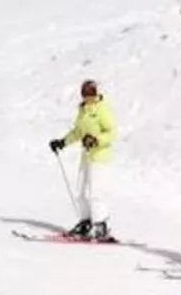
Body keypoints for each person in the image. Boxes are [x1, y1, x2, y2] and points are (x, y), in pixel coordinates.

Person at [48, 79, 116, 241]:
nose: (88, 98)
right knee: (81, 190)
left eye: (91, 94)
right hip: (86, 156)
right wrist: (63, 142)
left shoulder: (102, 109)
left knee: (95, 191)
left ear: (96, 93)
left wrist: (96, 139)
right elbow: (78, 132)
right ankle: (86, 222)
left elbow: (112, 133)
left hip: (100, 156)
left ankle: (100, 225)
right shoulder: (83, 110)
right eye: (85, 94)